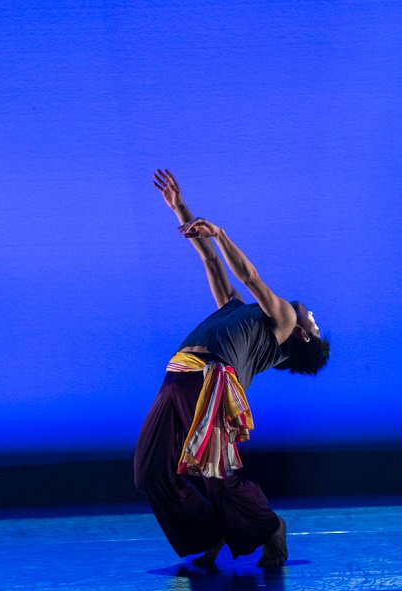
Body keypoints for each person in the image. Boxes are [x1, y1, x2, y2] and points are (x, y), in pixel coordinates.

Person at [134, 169, 329, 567]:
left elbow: (251, 276)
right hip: (178, 376)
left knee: (217, 478)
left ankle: (270, 528)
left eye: (316, 324)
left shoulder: (285, 319)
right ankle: (210, 532)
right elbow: (209, 258)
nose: (312, 314)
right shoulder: (238, 309)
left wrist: (221, 233)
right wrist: (180, 209)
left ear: (303, 336)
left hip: (209, 384)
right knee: (151, 472)